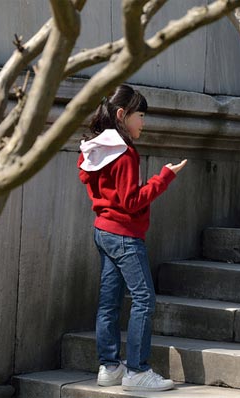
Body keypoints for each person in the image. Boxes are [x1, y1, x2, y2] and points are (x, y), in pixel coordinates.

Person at [78, 84, 187, 391]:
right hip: (124, 235)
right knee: (143, 299)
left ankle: (110, 367)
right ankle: (137, 371)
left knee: (109, 301)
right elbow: (131, 201)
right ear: (123, 115)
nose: (144, 122)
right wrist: (165, 177)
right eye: (141, 115)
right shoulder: (125, 154)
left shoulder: (96, 149)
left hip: (103, 230)